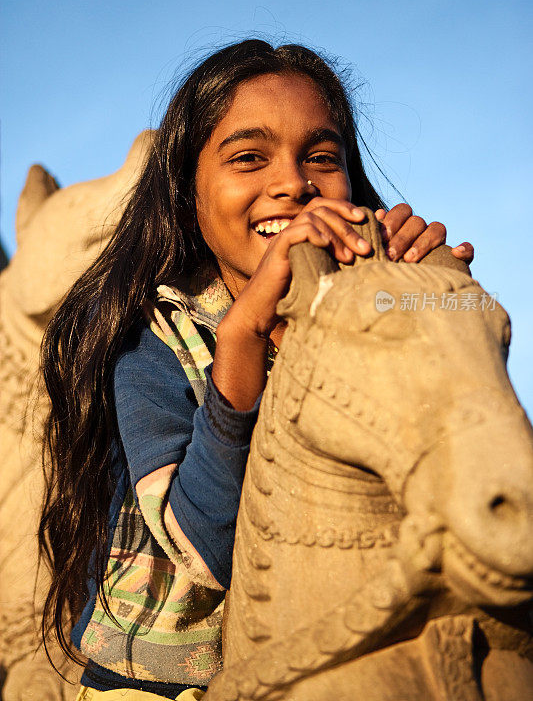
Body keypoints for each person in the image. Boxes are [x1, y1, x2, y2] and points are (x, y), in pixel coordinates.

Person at [38, 39, 473, 700]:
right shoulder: (153, 337)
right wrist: (242, 338)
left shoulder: (366, 304)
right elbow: (207, 549)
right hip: (154, 680)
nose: (292, 183)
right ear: (188, 198)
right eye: (249, 158)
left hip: (329, 649)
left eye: (320, 158)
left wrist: (427, 295)